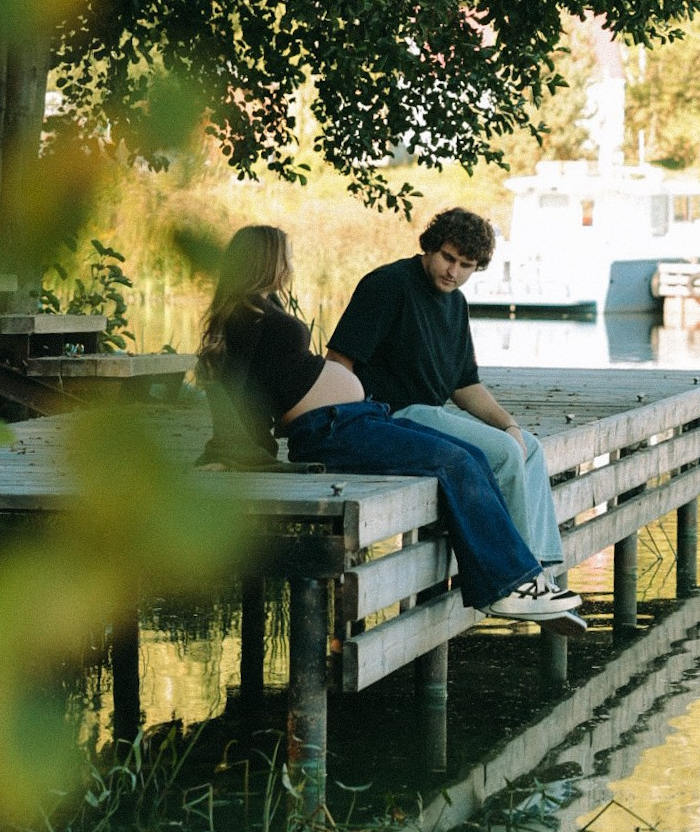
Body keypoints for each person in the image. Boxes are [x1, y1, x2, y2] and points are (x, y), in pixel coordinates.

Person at [195, 224, 583, 627]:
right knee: (454, 461)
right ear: (262, 260)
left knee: (468, 456)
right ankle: (507, 588)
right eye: (282, 256)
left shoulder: (264, 306)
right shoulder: (245, 317)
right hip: (328, 430)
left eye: (465, 265)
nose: (288, 264)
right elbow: (231, 389)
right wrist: (233, 452)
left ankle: (526, 579)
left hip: (354, 418)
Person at [326, 208, 566, 573]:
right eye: (448, 258)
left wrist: (509, 425)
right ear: (430, 247)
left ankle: (545, 566)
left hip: (429, 415)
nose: (453, 272)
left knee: (526, 446)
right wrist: (347, 426)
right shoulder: (388, 284)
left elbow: (464, 385)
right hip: (389, 416)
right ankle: (518, 572)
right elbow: (338, 362)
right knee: (503, 454)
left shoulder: (456, 303)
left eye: (466, 265)